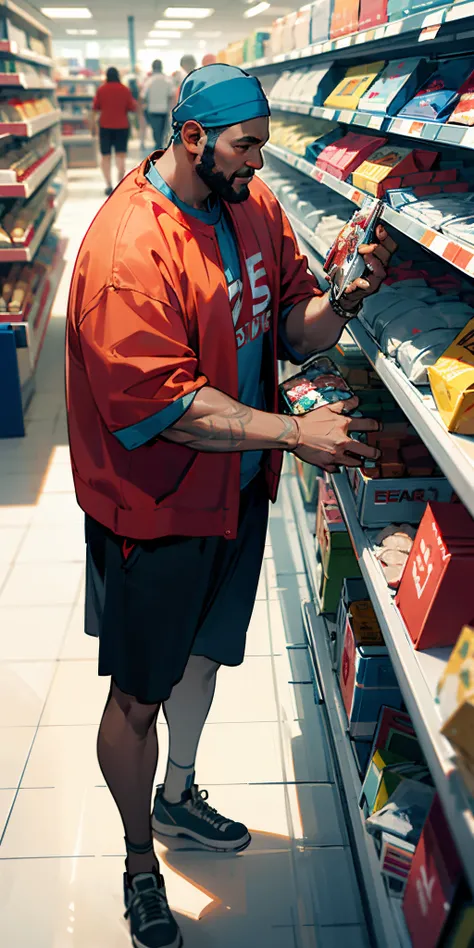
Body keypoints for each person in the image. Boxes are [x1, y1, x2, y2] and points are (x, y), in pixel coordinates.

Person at [66, 63, 396, 948]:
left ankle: (178, 796)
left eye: (261, 145)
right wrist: (294, 435)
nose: (258, 161)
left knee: (204, 656)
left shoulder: (253, 209)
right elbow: (167, 409)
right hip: (157, 508)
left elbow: (290, 326)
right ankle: (140, 861)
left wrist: (347, 297)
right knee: (137, 693)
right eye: (246, 146)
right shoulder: (127, 251)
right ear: (192, 139)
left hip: (236, 491)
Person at [92, 66, 137, 196]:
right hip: (122, 126)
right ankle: (119, 184)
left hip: (105, 126)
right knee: (120, 156)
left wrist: (92, 127)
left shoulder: (101, 89)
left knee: (105, 156)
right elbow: (131, 107)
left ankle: (108, 184)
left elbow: (95, 108)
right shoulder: (125, 90)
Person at [142, 59, 173, 150]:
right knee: (163, 132)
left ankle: (157, 148)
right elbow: (170, 96)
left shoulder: (149, 80)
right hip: (164, 110)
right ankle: (161, 148)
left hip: (152, 110)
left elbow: (143, 96)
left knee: (156, 132)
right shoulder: (167, 80)